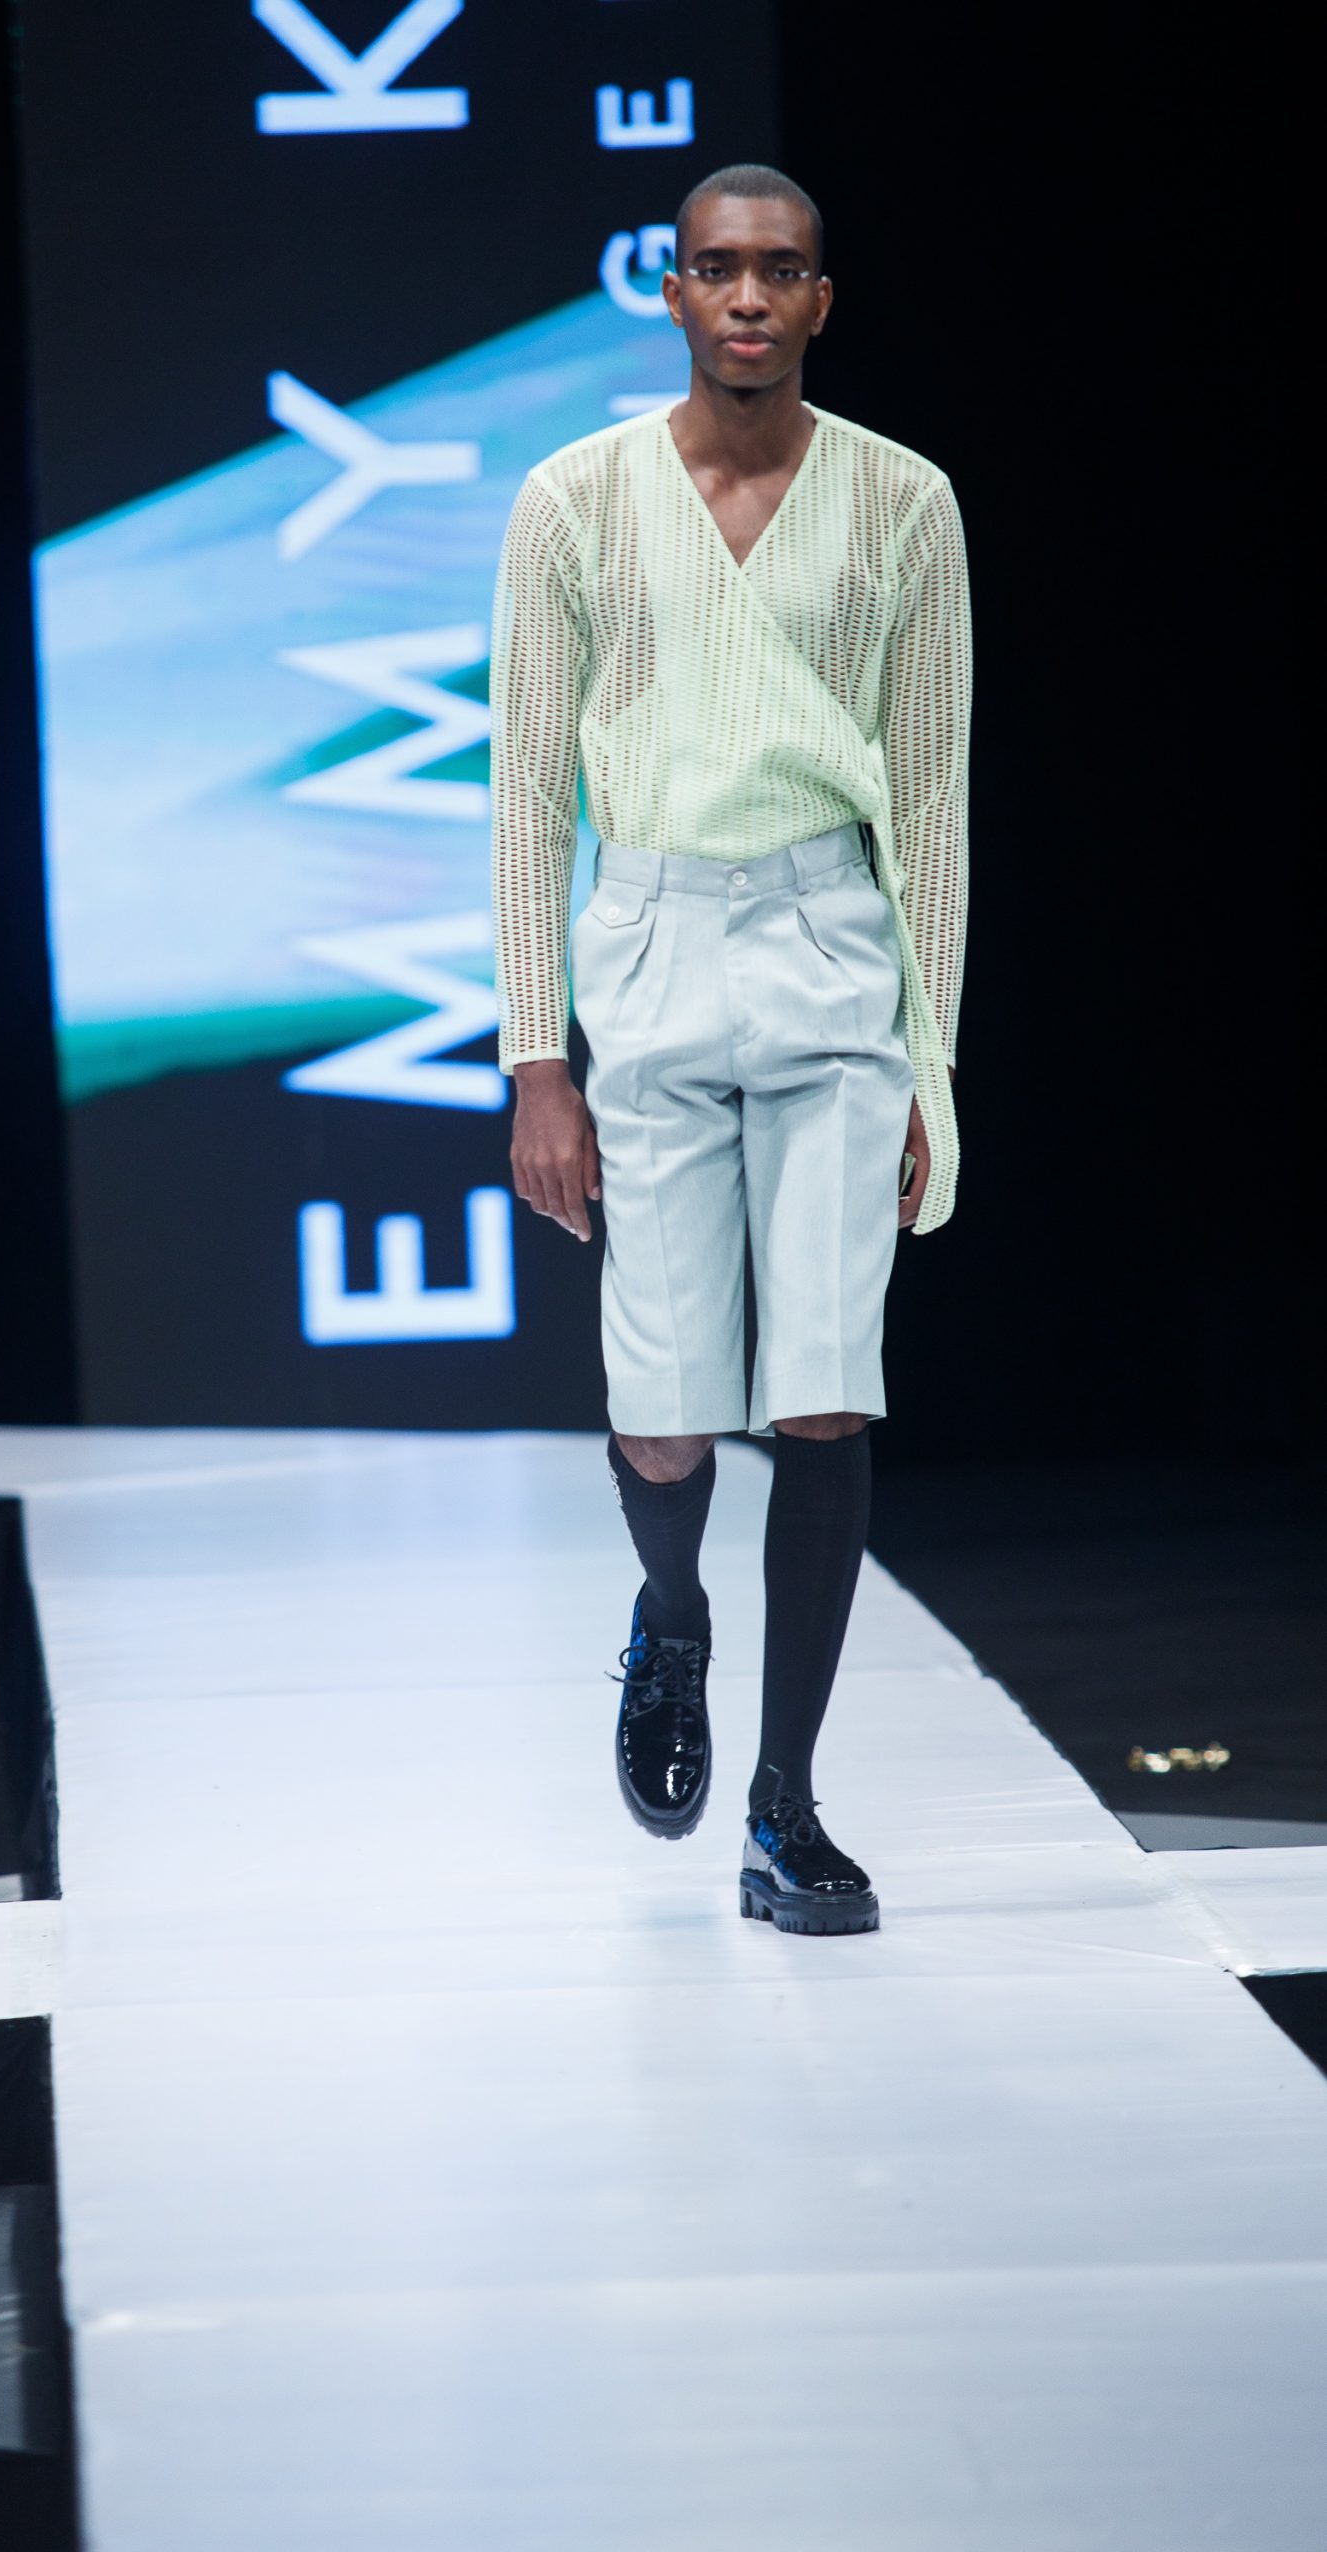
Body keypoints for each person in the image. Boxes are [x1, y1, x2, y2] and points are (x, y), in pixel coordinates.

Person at [488, 162, 970, 1936]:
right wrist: (536, 1057)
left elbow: (933, 802)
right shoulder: (573, 499)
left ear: (821, 300)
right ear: (672, 292)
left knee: (826, 1384)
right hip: (654, 948)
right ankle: (673, 1620)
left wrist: (931, 1063)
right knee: (667, 1412)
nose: (750, 296)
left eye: (781, 270)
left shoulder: (906, 501)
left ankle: (786, 1806)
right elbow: (526, 789)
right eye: (717, 268)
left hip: (836, 951)